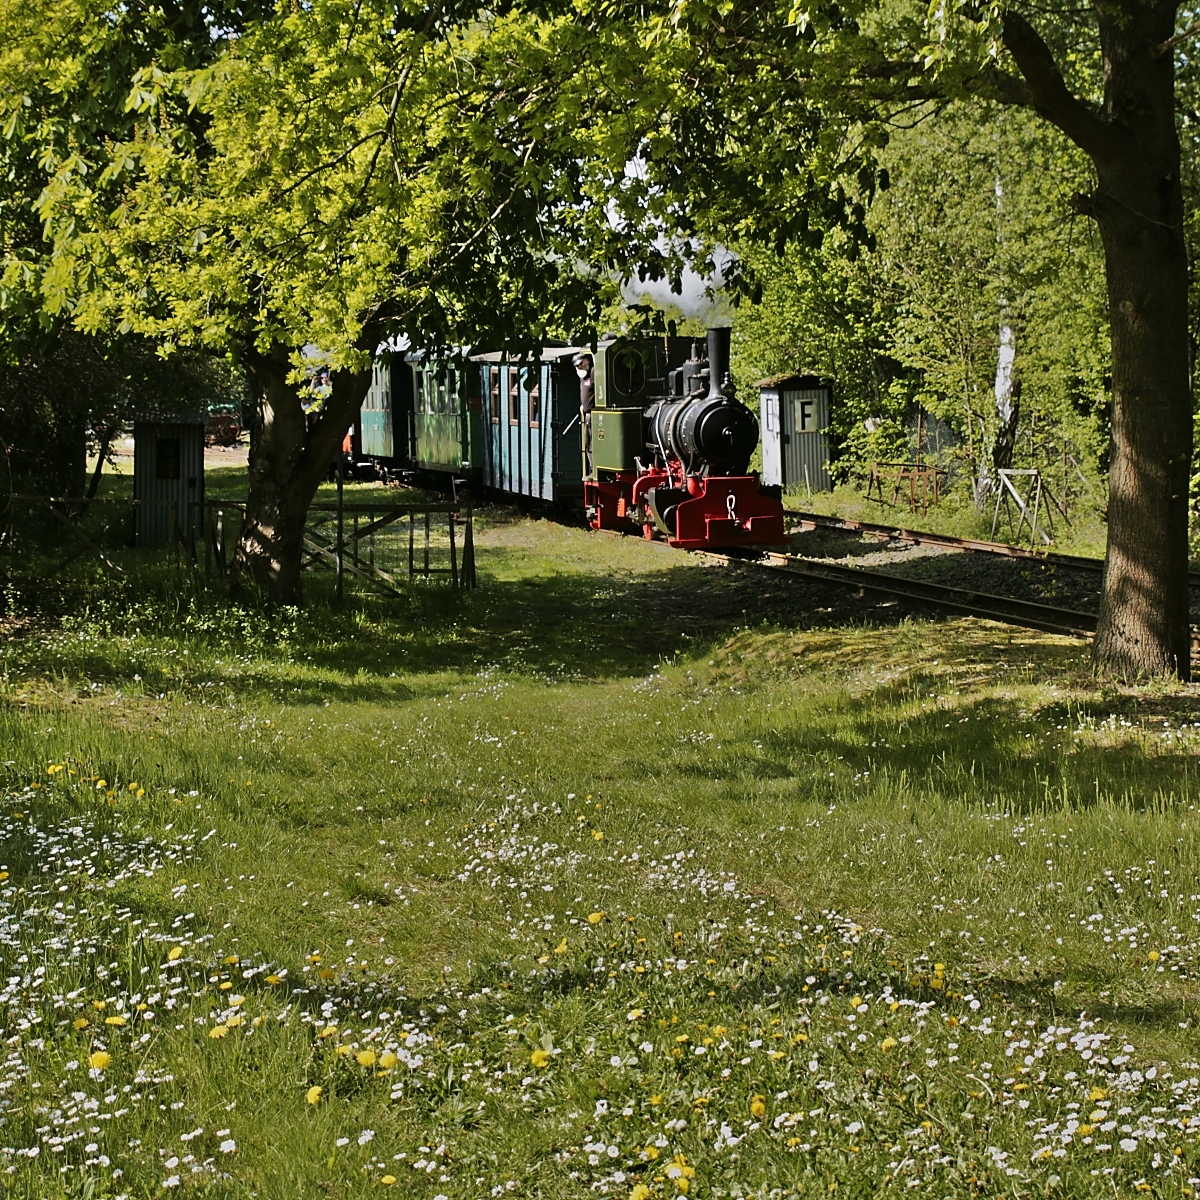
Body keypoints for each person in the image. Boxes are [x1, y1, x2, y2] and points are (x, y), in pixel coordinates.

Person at [575, 352, 595, 476]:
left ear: (587, 361)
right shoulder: (585, 376)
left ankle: (594, 469)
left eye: (580, 364)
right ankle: (592, 469)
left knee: (592, 444)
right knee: (587, 444)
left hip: (594, 414)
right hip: (587, 414)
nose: (579, 368)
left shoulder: (593, 373)